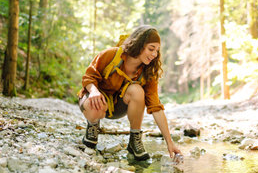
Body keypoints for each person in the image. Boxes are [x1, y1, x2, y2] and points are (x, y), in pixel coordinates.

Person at [77, 25, 182, 161]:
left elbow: (156, 107)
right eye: (151, 49)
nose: (155, 54)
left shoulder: (148, 72)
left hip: (118, 108)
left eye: (157, 50)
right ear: (139, 45)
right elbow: (88, 77)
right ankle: (93, 127)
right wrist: (94, 91)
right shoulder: (111, 55)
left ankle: (134, 140)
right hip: (94, 100)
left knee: (137, 91)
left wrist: (169, 142)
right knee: (96, 106)